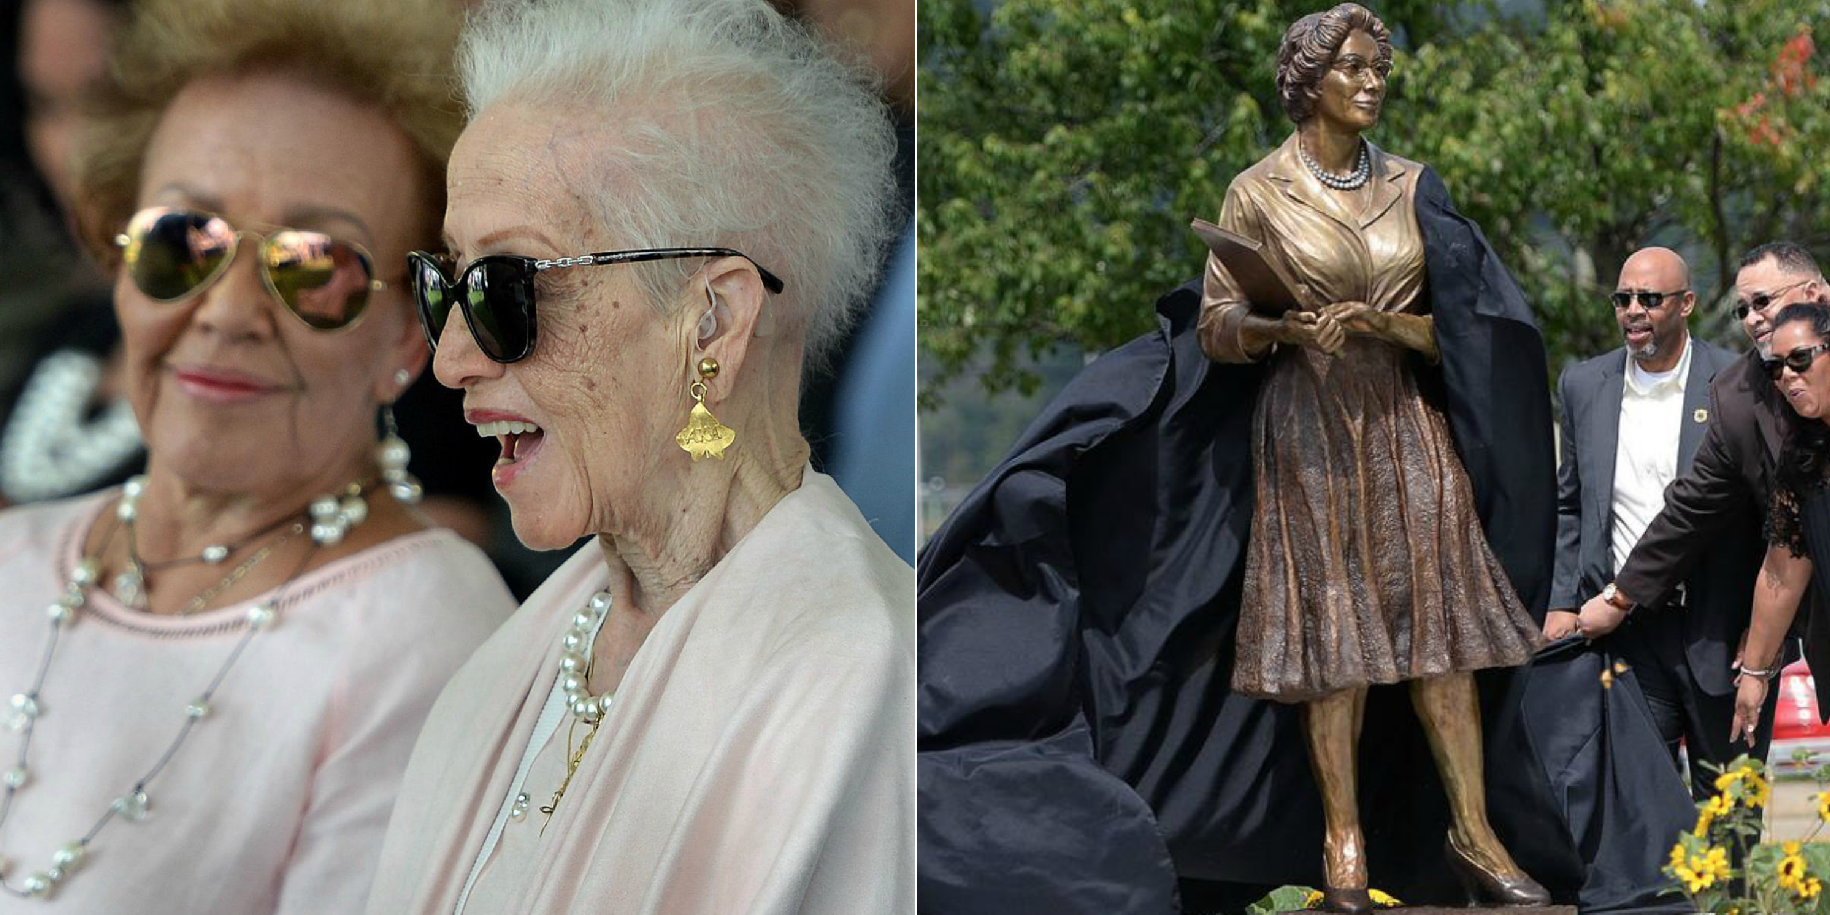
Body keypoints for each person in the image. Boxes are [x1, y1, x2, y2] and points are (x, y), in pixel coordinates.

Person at [363, 0, 913, 912]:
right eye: (445, 284)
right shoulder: (529, 643)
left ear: (712, 324)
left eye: (507, 287)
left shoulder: (854, 681)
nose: (452, 356)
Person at [0, 0, 516, 910]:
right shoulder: (17, 557)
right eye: (179, 242)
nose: (228, 311)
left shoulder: (422, 630)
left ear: (408, 332)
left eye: (316, 266)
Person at [1545, 247, 1768, 791]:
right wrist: (1559, 602)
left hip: (1719, 628)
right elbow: (1571, 503)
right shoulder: (1582, 384)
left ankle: (1735, 884)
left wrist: (1763, 634)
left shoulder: (1740, 382)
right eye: (1623, 299)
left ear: (1687, 303)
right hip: (1626, 632)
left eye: (1650, 298)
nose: (1633, 310)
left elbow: (1770, 513)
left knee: (1731, 805)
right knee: (1641, 806)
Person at [1576, 244, 1828, 706]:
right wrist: (1619, 597)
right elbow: (1700, 514)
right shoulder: (1738, 395)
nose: (1752, 319)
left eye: (1763, 302)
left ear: (1813, 293)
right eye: (1744, 309)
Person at [1731, 300, 1830, 745]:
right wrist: (1755, 671)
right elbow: (1781, 571)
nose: (1788, 375)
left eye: (1801, 360)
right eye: (1776, 368)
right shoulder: (1803, 457)